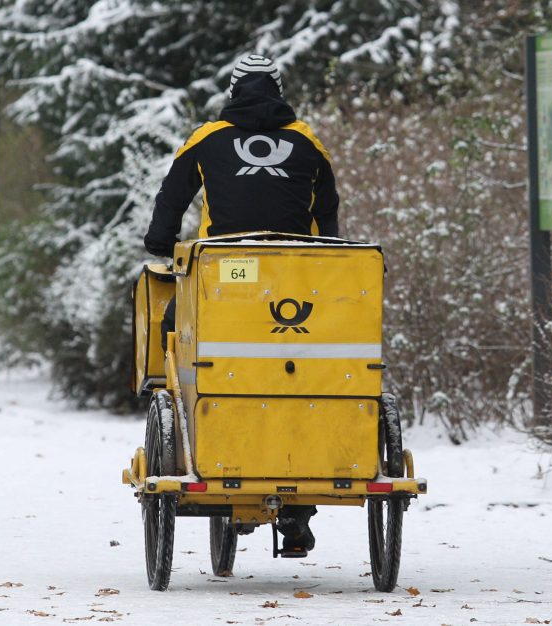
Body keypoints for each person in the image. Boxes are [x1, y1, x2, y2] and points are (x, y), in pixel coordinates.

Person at [142, 54, 338, 558]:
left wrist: (161, 242)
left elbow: (172, 196)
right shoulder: (307, 139)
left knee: (172, 327)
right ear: (278, 89)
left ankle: (199, 437)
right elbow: (328, 212)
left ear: (231, 90)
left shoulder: (207, 136)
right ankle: (300, 495)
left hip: (227, 274)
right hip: (297, 277)